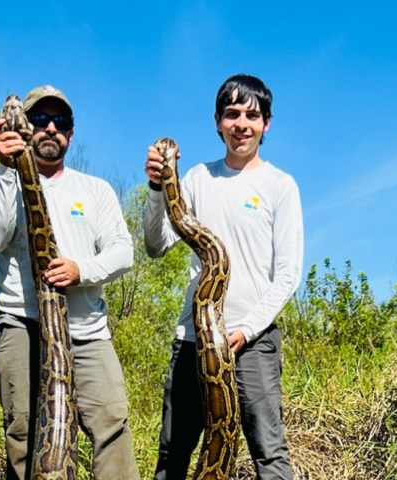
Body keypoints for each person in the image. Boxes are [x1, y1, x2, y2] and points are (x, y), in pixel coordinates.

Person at [0, 85, 140, 479]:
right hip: (22, 322)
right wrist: (5, 168)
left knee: (111, 426)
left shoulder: (94, 190)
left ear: (71, 131)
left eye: (60, 122)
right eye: (40, 120)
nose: (50, 128)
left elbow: (123, 252)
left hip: (86, 330)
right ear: (25, 128)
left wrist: (80, 270)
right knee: (23, 431)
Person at [143, 74, 304, 480]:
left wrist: (246, 330)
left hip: (252, 342)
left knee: (270, 455)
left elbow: (288, 274)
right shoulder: (197, 177)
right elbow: (157, 244)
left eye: (252, 115)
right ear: (217, 121)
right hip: (194, 340)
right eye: (232, 114)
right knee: (173, 454)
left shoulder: (280, 186)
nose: (241, 124)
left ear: (266, 123)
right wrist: (157, 188)